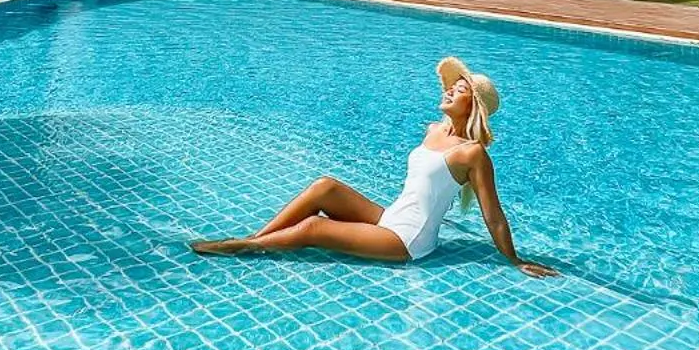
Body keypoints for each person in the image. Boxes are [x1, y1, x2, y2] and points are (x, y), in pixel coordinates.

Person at [190, 56, 557, 277]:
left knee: (316, 226)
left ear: (472, 107)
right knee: (325, 186)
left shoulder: (471, 154)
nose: (448, 91)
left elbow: (493, 215)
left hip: (407, 241)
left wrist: (514, 260)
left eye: (459, 91)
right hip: (389, 218)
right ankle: (258, 238)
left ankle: (242, 247)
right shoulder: (434, 129)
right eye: (452, 86)